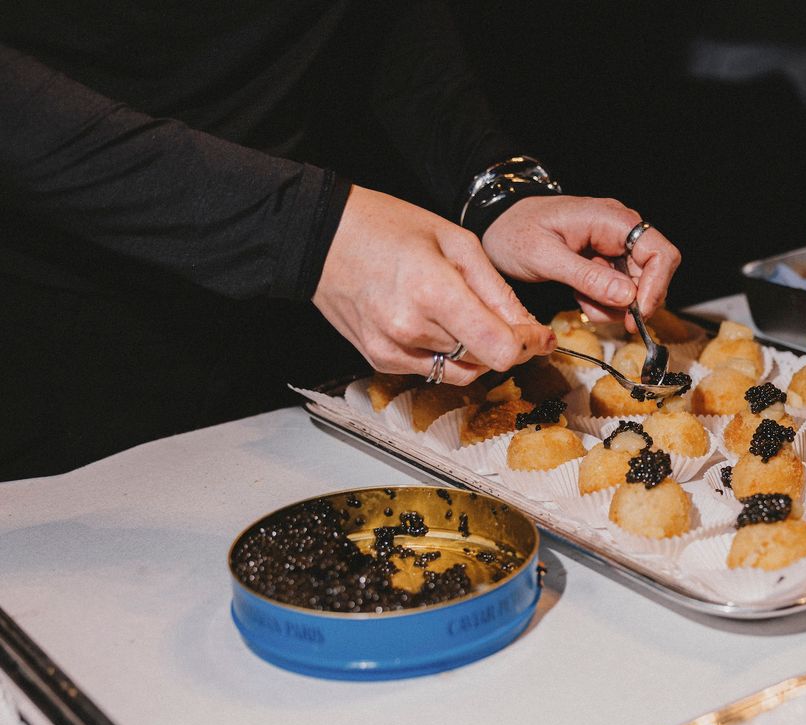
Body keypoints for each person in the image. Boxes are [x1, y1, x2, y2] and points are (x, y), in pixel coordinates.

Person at [0, 1, 681, 478]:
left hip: (296, 313)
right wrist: (306, 228)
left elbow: (374, 23)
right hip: (63, 331)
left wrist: (497, 188)